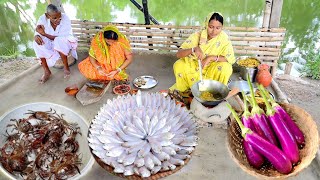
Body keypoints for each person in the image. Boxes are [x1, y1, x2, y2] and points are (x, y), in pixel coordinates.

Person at [170, 12, 235, 96]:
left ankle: (217, 91)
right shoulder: (197, 36)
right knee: (179, 65)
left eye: (218, 28)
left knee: (227, 68)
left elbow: (229, 58)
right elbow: (179, 54)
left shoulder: (224, 38)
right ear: (206, 24)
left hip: (213, 67)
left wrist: (210, 58)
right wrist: (194, 49)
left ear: (222, 27)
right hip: (195, 66)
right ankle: (187, 90)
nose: (214, 31)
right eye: (211, 27)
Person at [33, 4, 78, 84]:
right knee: (36, 43)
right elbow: (37, 31)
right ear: (47, 16)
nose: (58, 20)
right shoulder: (42, 19)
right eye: (54, 18)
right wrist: (36, 35)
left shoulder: (65, 18)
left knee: (58, 41)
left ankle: (66, 68)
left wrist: (44, 34)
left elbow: (59, 37)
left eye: (59, 17)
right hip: (50, 41)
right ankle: (47, 71)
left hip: (64, 41)